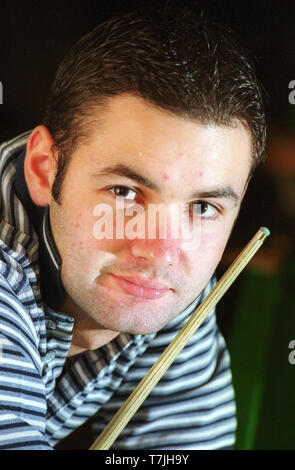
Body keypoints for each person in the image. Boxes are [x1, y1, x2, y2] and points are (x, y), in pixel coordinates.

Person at [0, 4, 266, 450]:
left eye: (202, 207)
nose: (161, 251)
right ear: (44, 169)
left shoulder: (174, 282)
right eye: (125, 193)